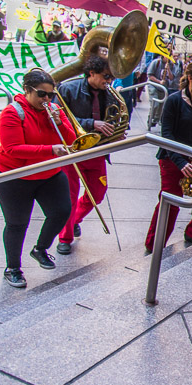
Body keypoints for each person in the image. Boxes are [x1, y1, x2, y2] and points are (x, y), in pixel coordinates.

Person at [0, 68, 76, 287]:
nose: (47, 99)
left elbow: (72, 139)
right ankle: (12, 268)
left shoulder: (54, 109)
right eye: (41, 94)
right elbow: (13, 149)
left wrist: (60, 123)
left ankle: (40, 249)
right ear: (27, 90)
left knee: (62, 211)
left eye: (51, 95)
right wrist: (50, 149)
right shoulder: (12, 112)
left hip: (48, 173)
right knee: (17, 223)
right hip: (15, 176)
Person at [143, 62, 192, 254]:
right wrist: (181, 162)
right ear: (190, 79)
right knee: (170, 202)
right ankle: (154, 244)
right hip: (172, 159)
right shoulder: (174, 100)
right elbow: (167, 135)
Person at [54, 56, 118, 255]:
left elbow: (119, 117)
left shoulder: (111, 93)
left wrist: (118, 132)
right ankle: (65, 238)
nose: (109, 81)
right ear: (92, 73)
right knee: (70, 196)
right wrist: (92, 123)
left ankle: (74, 220)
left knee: (98, 192)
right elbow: (58, 119)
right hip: (73, 150)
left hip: (97, 151)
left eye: (111, 77)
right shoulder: (68, 89)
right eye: (105, 76)